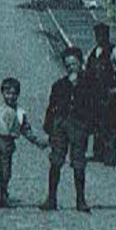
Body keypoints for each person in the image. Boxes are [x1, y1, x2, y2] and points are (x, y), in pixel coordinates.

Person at [0, 76, 47, 209]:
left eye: (14, 94)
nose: (11, 96)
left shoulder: (20, 113)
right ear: (2, 93)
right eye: (8, 93)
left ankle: (4, 194)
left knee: (5, 171)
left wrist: (38, 142)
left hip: (8, 144)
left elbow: (26, 130)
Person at [40, 46, 93, 212]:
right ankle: (51, 198)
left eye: (74, 63)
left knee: (78, 162)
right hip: (60, 124)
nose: (71, 67)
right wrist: (49, 126)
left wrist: (90, 126)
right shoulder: (59, 85)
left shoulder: (88, 84)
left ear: (80, 62)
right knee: (56, 160)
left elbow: (94, 106)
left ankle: (81, 199)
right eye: (67, 64)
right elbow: (51, 107)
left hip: (79, 125)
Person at [84, 22, 116, 164]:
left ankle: (110, 156)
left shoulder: (115, 51)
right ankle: (98, 153)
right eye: (98, 35)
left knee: (110, 125)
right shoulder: (93, 52)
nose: (100, 38)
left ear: (107, 36)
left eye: (103, 35)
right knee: (97, 123)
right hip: (94, 94)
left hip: (108, 94)